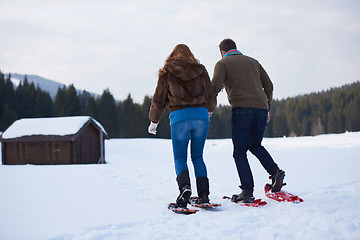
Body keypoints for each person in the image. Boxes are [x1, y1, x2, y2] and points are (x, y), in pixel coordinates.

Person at [211, 38, 285, 203]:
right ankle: (275, 172)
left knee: (239, 152)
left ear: (223, 52)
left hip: (241, 110)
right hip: (261, 110)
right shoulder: (253, 62)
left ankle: (247, 191)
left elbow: (214, 88)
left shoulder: (222, 63)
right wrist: (267, 107)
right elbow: (269, 86)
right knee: (255, 145)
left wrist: (208, 108)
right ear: (236, 49)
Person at [148, 44, 217, 208]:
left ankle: (185, 188)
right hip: (201, 116)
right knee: (198, 157)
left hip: (179, 117)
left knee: (180, 158)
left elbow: (159, 100)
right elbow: (211, 96)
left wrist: (154, 121)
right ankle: (204, 195)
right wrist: (209, 111)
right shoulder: (201, 70)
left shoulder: (167, 72)